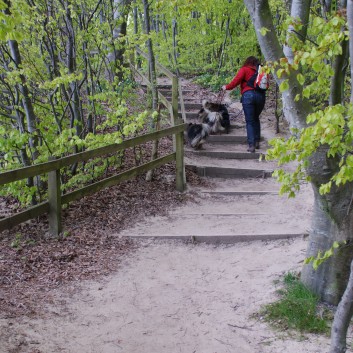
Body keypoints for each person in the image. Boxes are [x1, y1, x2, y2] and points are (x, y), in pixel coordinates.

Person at [222, 56, 266, 153]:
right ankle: (257, 141)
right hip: (260, 97)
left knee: (250, 121)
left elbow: (236, 81)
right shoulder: (262, 71)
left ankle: (251, 145)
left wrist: (227, 87)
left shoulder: (244, 69)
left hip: (248, 96)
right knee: (256, 118)